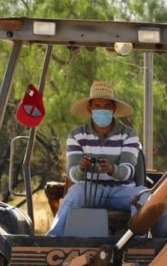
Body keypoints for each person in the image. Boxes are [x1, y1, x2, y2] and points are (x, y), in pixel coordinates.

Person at [47, 81, 146, 236]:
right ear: (90, 109)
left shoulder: (129, 134)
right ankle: (52, 240)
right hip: (89, 190)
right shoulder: (76, 135)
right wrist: (81, 168)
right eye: (97, 106)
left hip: (122, 192)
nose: (102, 110)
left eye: (107, 106)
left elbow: (128, 171)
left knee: (145, 196)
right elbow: (72, 174)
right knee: (74, 194)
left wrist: (112, 169)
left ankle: (142, 244)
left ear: (113, 108)